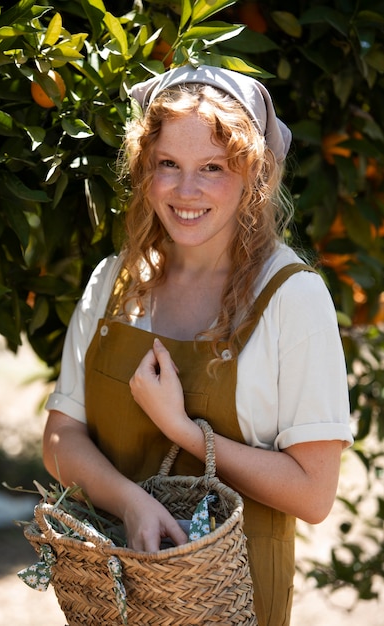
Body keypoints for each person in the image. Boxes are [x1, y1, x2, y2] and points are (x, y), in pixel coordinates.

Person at [43, 64, 353, 626]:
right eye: (168, 165)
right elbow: (61, 438)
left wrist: (185, 431)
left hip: (235, 603)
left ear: (253, 175)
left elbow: (314, 495)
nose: (186, 192)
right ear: (144, 168)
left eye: (212, 167)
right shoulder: (115, 283)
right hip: (114, 597)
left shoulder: (292, 298)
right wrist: (132, 503)